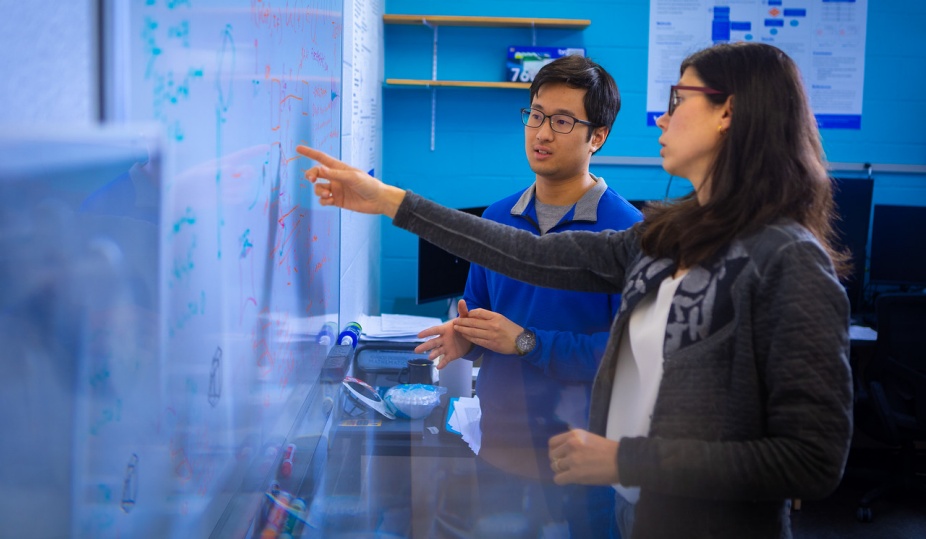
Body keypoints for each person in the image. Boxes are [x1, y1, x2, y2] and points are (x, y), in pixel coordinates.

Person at [297, 41, 853, 539]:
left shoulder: (788, 261)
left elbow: (812, 461)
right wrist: (389, 201)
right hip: (644, 517)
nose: (662, 116)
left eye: (679, 99)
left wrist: (625, 462)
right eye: (536, 116)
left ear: (728, 113)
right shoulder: (663, 237)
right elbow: (527, 252)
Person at [412, 55, 641, 538]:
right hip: (501, 450)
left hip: (581, 464)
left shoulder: (627, 232)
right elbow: (485, 321)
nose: (541, 133)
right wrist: (464, 337)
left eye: (562, 121)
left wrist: (527, 342)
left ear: (596, 137)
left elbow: (623, 364)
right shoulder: (496, 219)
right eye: (536, 115)